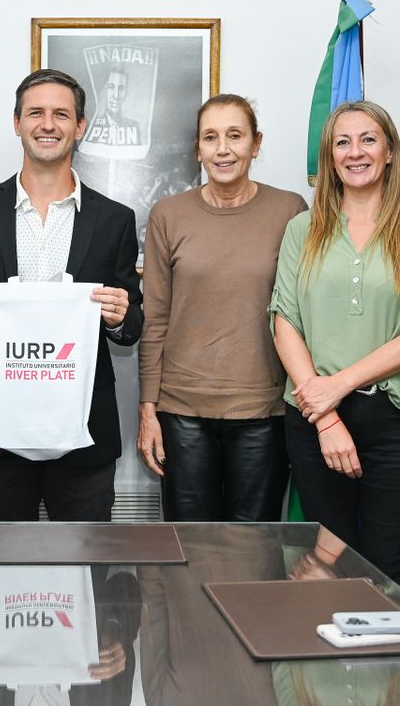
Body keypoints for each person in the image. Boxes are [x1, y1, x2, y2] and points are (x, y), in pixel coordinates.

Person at [0, 68, 142, 521]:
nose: (48, 124)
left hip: (84, 431)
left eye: (61, 114)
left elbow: (132, 323)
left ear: (79, 126)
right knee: (0, 559)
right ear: (17, 123)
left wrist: (119, 316)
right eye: (36, 113)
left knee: (86, 558)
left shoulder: (114, 219)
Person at [270, 100, 400, 591]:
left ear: (389, 151)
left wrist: (340, 385)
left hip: (397, 420)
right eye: (342, 142)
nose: (356, 152)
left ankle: (386, 648)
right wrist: (326, 415)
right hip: (314, 419)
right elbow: (284, 321)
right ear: (329, 157)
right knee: (325, 568)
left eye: (368, 139)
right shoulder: (302, 229)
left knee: (386, 567)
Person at [137, 93, 306, 520]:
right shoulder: (168, 215)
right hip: (181, 412)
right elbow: (155, 319)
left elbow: (301, 314)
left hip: (264, 411)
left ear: (256, 143)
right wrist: (148, 409)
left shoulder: (290, 211)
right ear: (198, 149)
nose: (223, 149)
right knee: (190, 544)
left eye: (235, 135)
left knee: (253, 547)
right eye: (210, 137)